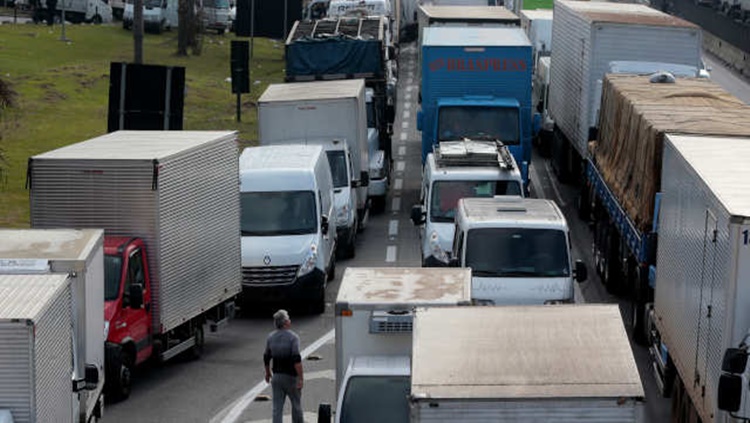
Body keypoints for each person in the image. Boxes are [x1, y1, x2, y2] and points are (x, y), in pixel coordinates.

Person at [263, 309, 304, 423]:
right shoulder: (293, 338)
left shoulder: (271, 337)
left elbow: (266, 356)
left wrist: (267, 373)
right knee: (296, 405)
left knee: (277, 408)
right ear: (286, 322)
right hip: (291, 377)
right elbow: (296, 359)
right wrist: (300, 378)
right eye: (289, 318)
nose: (290, 320)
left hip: (277, 377)